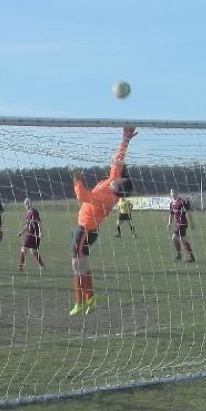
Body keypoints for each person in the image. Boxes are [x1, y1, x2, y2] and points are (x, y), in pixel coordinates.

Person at [69, 127, 137, 317]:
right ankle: (89, 298)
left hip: (85, 231)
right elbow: (118, 159)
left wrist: (77, 178)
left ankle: (81, 301)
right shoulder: (113, 180)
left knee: (77, 265)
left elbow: (82, 196)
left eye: (118, 180)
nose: (115, 177)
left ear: (118, 190)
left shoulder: (108, 198)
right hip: (83, 229)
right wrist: (125, 139)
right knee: (81, 265)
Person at [167, 189, 196, 263]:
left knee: (174, 237)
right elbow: (171, 214)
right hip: (178, 223)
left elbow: (188, 211)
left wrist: (191, 222)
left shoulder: (182, 201)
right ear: (170, 194)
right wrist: (169, 223)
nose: (173, 193)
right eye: (172, 192)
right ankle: (191, 257)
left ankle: (180, 255)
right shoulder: (171, 203)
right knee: (183, 240)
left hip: (183, 223)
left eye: (174, 192)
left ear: (177, 193)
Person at [16, 198, 45, 271]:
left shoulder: (33, 212)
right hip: (30, 234)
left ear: (29, 204)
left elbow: (38, 222)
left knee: (23, 248)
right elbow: (27, 226)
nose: (26, 206)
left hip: (33, 234)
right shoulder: (28, 213)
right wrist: (21, 232)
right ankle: (42, 266)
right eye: (25, 204)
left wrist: (40, 232)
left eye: (27, 204)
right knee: (33, 251)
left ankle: (20, 266)